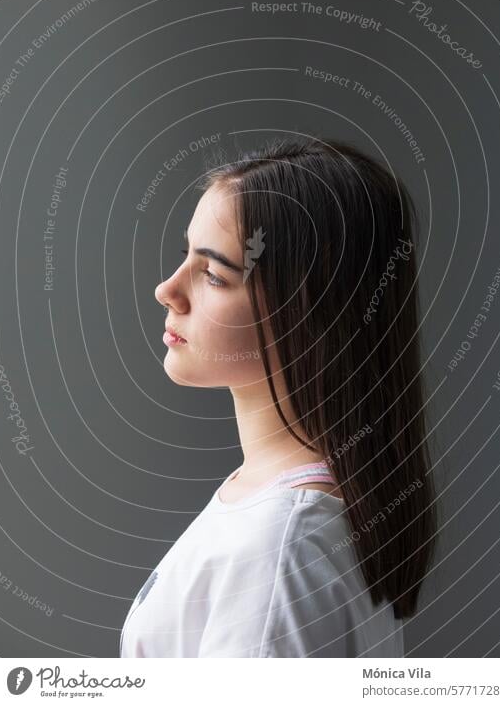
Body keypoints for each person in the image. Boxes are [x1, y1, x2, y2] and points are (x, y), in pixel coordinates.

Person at [120, 135, 437, 657]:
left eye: (214, 275)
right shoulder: (274, 513)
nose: (167, 291)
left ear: (310, 308)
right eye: (185, 259)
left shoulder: (281, 545)